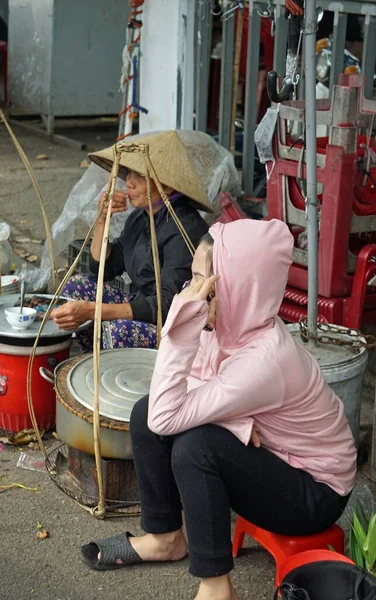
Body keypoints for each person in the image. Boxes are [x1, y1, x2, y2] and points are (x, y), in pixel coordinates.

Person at [80, 219, 357, 600]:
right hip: (276, 459)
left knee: (197, 446)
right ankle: (165, 537)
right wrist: (236, 420)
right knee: (146, 413)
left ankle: (217, 588)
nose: (189, 292)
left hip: (315, 492)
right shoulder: (226, 326)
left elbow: (173, 412)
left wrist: (180, 323)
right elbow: (167, 399)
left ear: (238, 287)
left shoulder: (265, 359)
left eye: (199, 282)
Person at [52, 134, 210, 351]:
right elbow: (102, 269)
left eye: (140, 176)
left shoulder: (184, 229)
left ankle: (113, 373)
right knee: (77, 286)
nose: (129, 182)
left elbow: (167, 306)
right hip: (142, 305)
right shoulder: (140, 217)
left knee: (119, 330)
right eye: (128, 174)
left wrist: (93, 311)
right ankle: (91, 358)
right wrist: (102, 221)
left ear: (168, 187)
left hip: (176, 326)